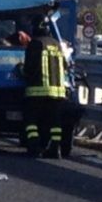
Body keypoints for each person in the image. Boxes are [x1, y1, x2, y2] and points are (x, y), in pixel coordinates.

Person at [23, 17, 67, 159]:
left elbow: (29, 68)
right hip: (57, 93)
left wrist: (21, 71)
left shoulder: (35, 44)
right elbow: (65, 66)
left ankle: (34, 147)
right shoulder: (57, 44)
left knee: (31, 121)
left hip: (38, 91)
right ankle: (55, 148)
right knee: (55, 123)